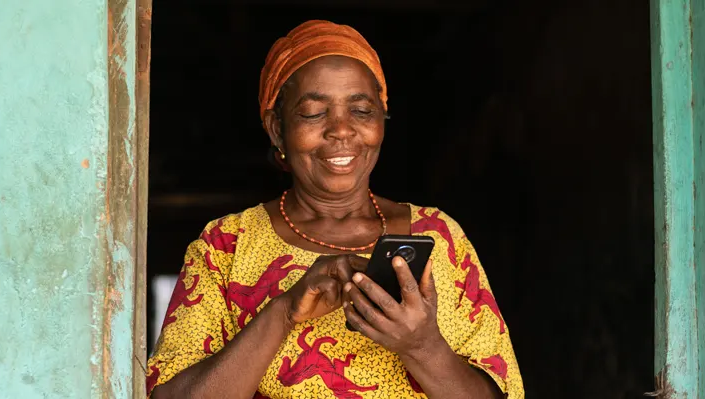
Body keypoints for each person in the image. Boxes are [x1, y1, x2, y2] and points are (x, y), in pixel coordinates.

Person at [147, 20, 524, 399]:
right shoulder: (226, 246)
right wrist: (283, 311)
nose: (341, 130)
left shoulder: (437, 236)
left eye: (361, 110)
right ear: (277, 128)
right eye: (313, 113)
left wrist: (421, 346)